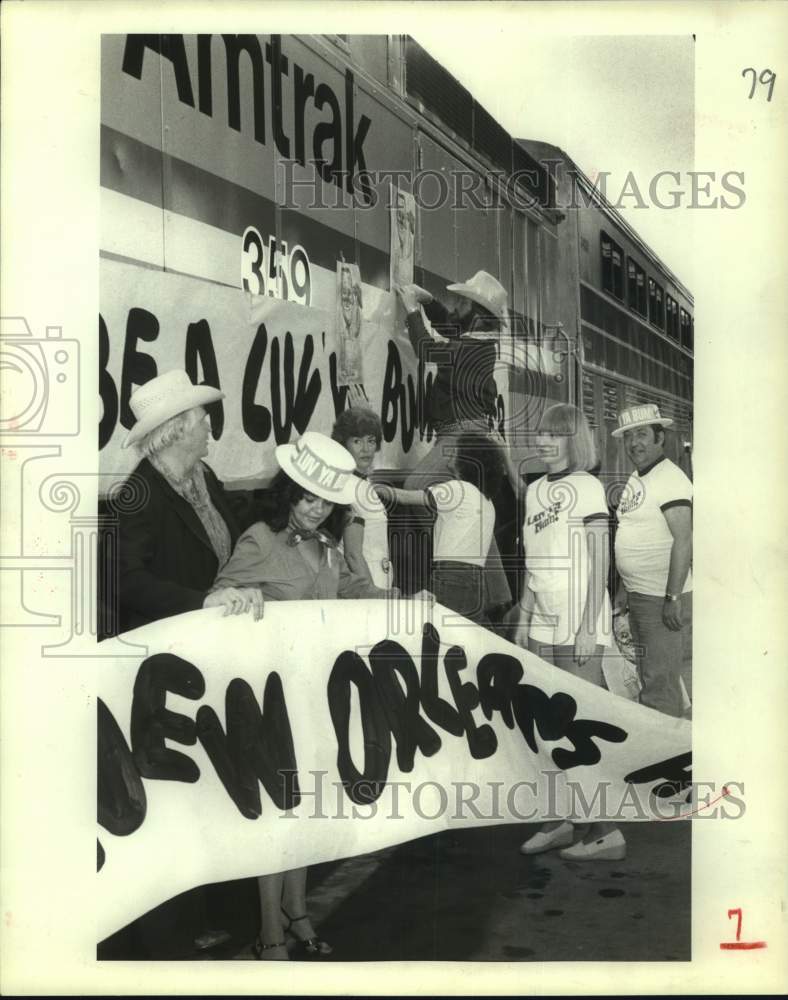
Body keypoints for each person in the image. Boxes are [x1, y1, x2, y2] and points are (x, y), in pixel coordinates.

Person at [210, 431, 399, 960]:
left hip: (317, 693)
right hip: (269, 696)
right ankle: (268, 931)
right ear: (288, 494)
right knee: (277, 813)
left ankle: (298, 913)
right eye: (307, 498)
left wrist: (404, 598)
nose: (315, 510)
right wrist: (233, 598)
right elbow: (214, 599)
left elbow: (350, 593)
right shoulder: (258, 540)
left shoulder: (329, 545)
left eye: (325, 501)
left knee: (308, 807)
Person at [102, 369, 262, 958]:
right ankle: (173, 928)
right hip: (167, 667)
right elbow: (125, 582)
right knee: (180, 790)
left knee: (217, 783)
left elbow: (234, 542)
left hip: (212, 656)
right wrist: (201, 602)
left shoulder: (204, 477)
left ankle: (216, 910)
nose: (208, 426)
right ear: (172, 431)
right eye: (198, 418)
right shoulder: (139, 495)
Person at [505, 403, 625, 861]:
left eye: (555, 434)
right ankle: (557, 821)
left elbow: (600, 562)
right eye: (540, 432)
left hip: (580, 623)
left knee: (579, 732)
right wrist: (523, 617)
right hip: (543, 620)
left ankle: (604, 832)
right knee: (544, 730)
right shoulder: (535, 491)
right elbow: (534, 564)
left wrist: (586, 627)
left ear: (573, 440)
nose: (544, 441)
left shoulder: (587, 487)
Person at [394, 271, 512, 610]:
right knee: (471, 516)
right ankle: (498, 597)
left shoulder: (471, 349)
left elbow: (426, 349)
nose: (456, 305)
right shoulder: (478, 343)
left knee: (419, 484)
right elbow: (450, 326)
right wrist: (429, 303)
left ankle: (456, 558)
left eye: (463, 302)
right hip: (464, 432)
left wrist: (412, 311)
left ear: (476, 313)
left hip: (462, 434)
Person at [612, 403, 693, 719]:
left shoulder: (670, 478)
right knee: (649, 675)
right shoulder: (638, 477)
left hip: (661, 596)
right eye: (629, 436)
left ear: (661, 438)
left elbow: (684, 539)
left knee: (659, 685)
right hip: (640, 595)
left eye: (642, 434)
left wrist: (672, 597)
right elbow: (633, 533)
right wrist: (624, 589)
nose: (634, 443)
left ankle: (668, 755)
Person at [330, 400, 393, 589]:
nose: (366, 449)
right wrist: (373, 595)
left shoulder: (363, 482)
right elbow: (352, 555)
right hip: (365, 586)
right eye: (357, 441)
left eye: (371, 441)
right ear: (344, 445)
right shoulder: (345, 486)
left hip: (381, 580)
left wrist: (367, 413)